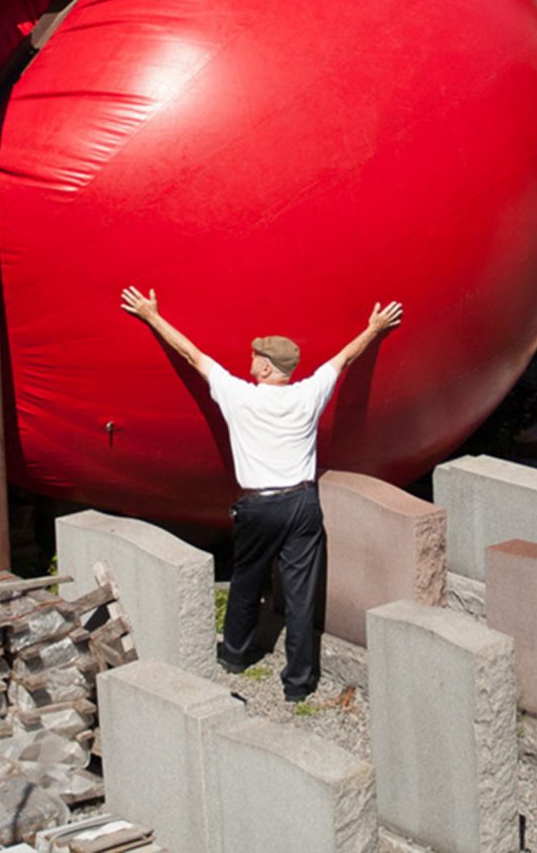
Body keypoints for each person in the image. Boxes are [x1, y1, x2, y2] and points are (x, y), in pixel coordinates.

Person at [120, 286, 403, 702]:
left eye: (256, 356)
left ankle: (235, 655)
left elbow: (192, 356)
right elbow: (344, 359)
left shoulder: (240, 398)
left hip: (259, 505)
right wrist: (375, 329)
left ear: (268, 368)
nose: (249, 359)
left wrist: (151, 316)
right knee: (302, 595)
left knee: (247, 580)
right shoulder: (309, 394)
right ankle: (299, 683)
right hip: (304, 503)